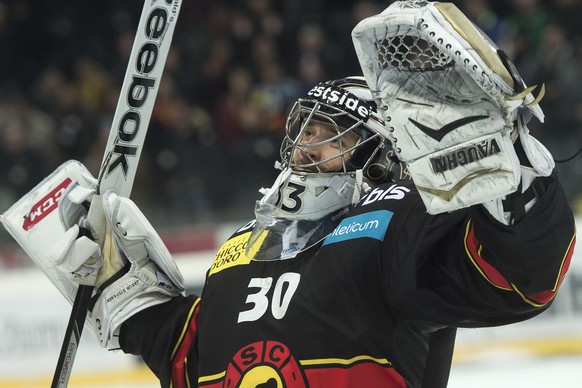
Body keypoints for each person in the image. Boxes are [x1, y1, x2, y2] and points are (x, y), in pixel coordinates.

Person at [3, 1, 576, 387]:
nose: (306, 147)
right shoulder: (242, 247)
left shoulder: (399, 221)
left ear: (380, 158)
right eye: (305, 129)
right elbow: (196, 361)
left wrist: (518, 183)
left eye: (332, 136)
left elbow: (521, 275)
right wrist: (126, 300)